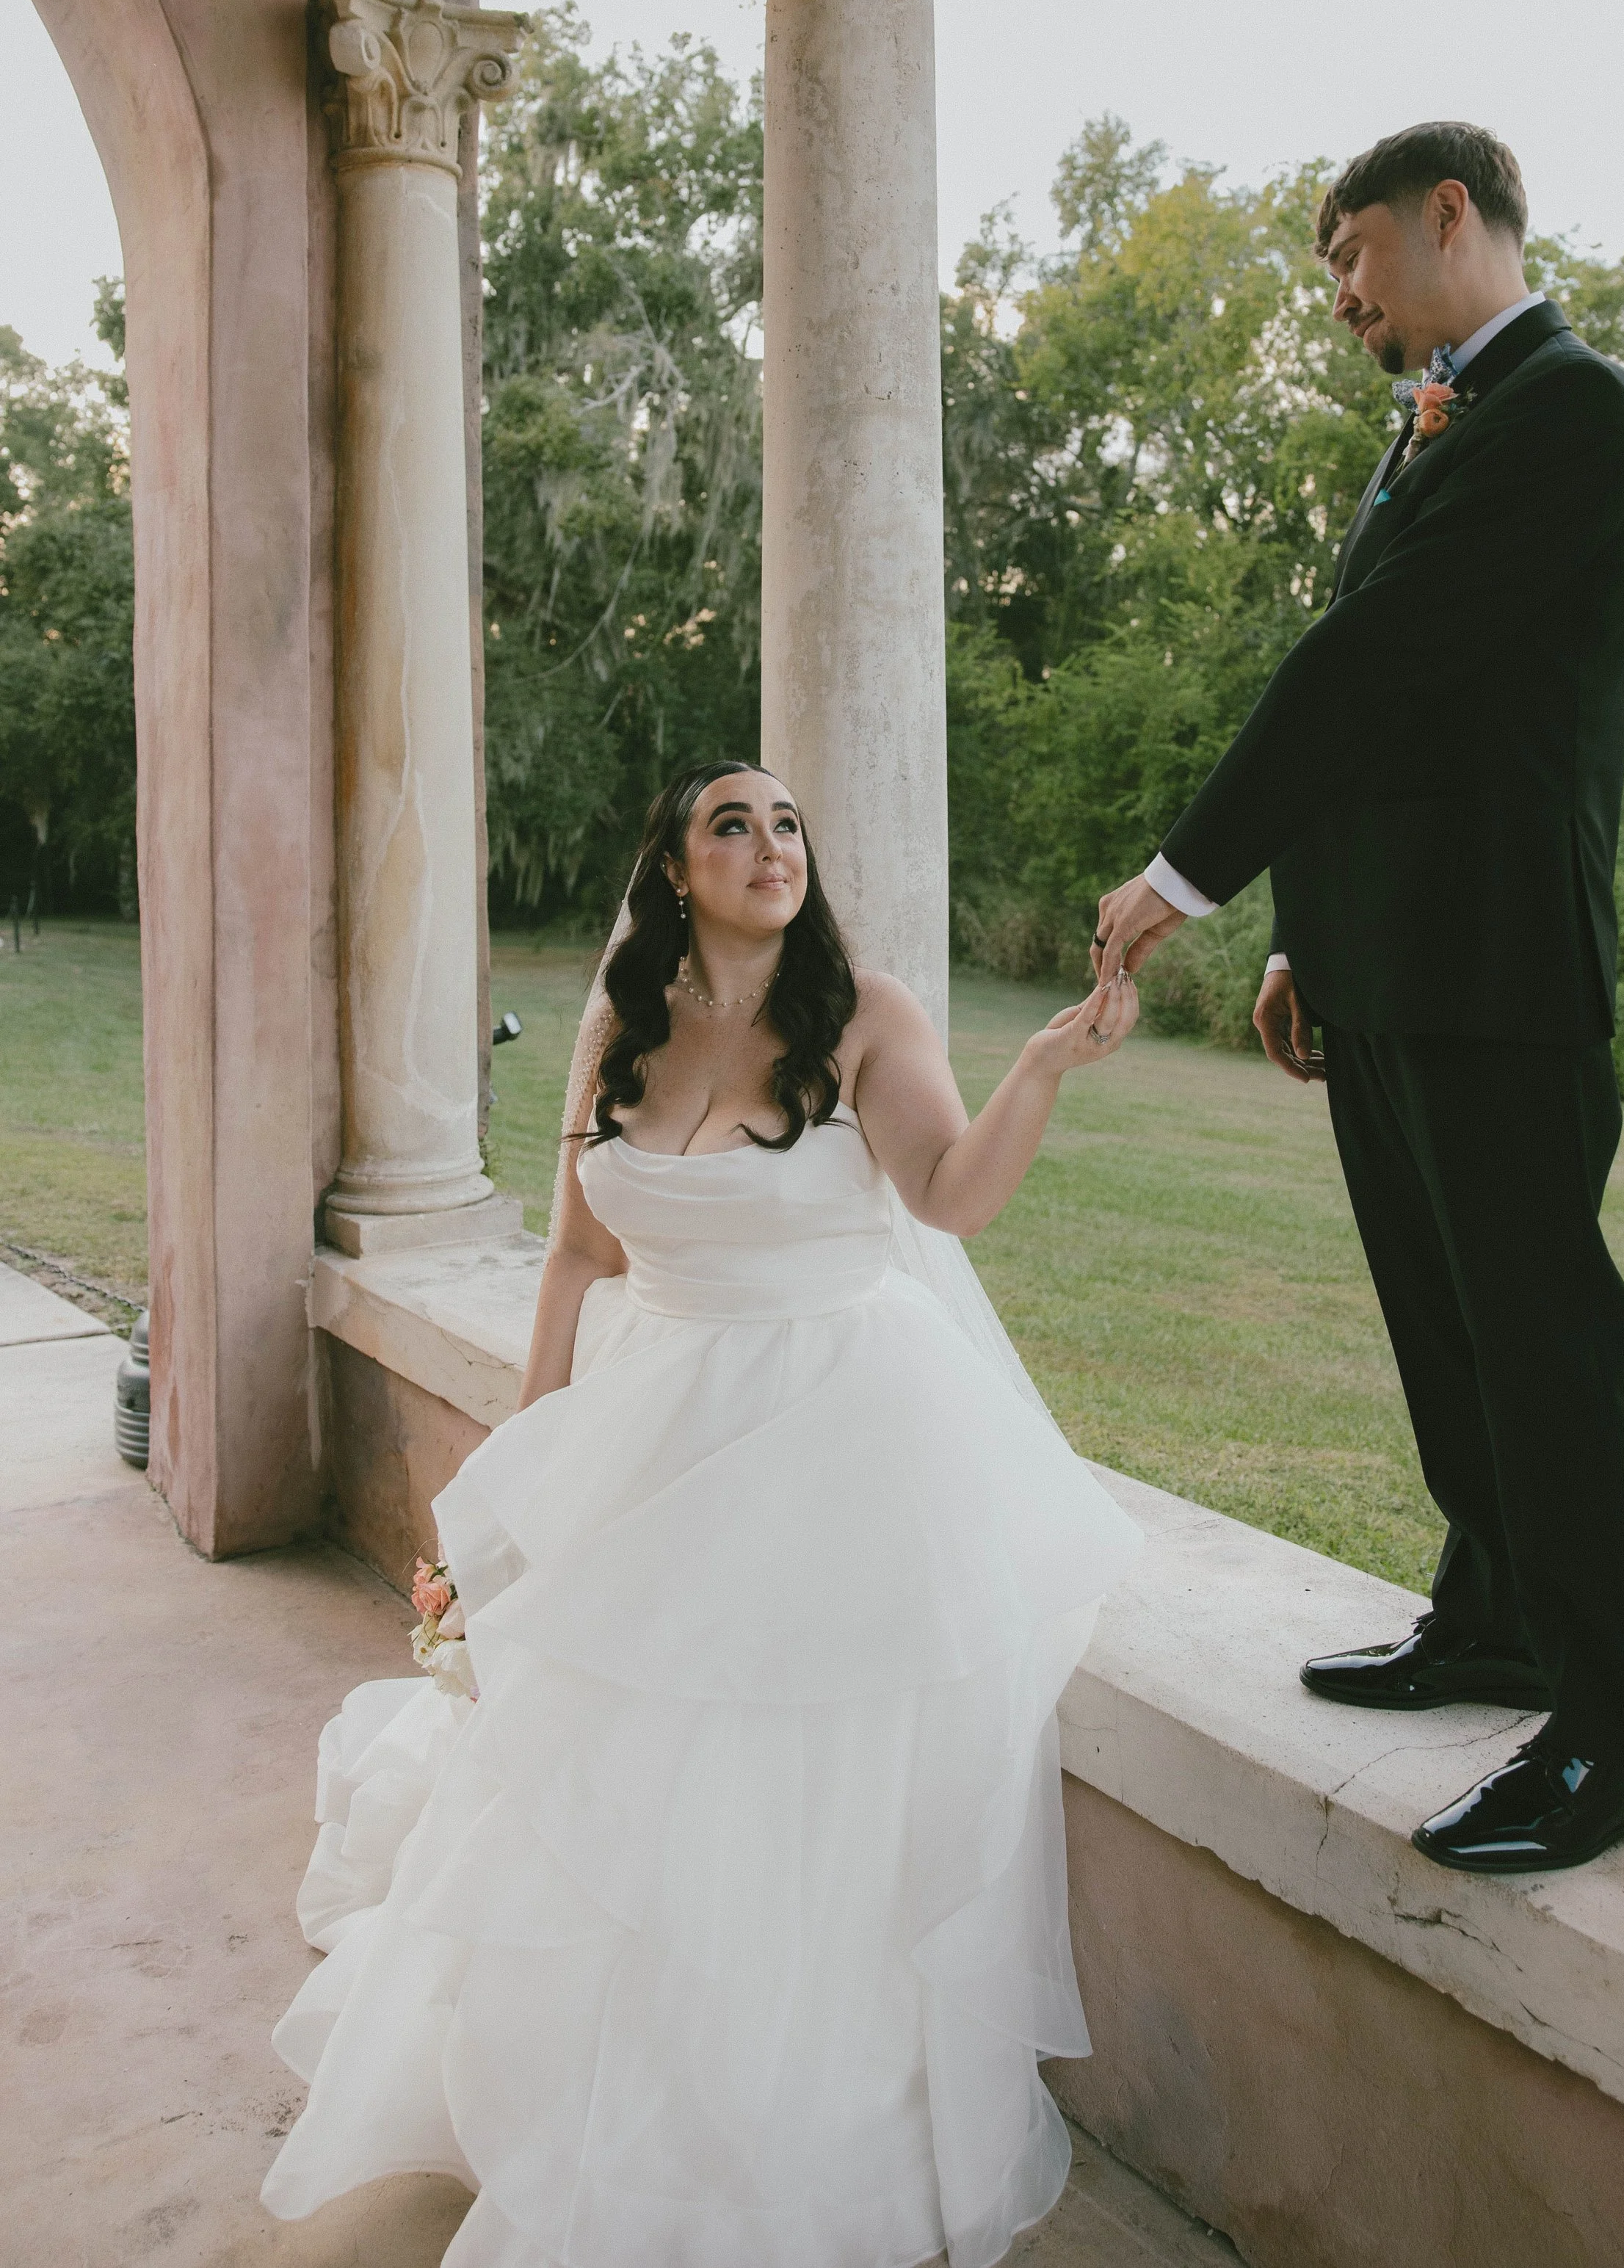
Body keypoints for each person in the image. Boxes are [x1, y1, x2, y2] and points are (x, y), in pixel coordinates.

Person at [262, 761, 1145, 2268]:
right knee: (613, 1780)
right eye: (731, 822)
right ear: (673, 866)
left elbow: (946, 1196)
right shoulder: (620, 1023)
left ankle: (786, 2125)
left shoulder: (863, 1011)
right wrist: (514, 1475)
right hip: (656, 1422)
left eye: (787, 821)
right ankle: (605, 2095)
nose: (768, 844)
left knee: (791, 1787)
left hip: (840, 1435)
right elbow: (572, 1260)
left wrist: (1045, 1068)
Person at [1092, 121, 1624, 1877]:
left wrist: (1190, 873)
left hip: (1500, 967)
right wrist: (1306, 938)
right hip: (1392, 960)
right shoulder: (1440, 421)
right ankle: (1492, 1611)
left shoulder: (1571, 409)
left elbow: (1371, 660)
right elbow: (1410, 714)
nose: (1338, 294)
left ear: (1447, 219)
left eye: (1350, 254)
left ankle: (1606, 1731)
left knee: (1542, 1339)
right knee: (1441, 1321)